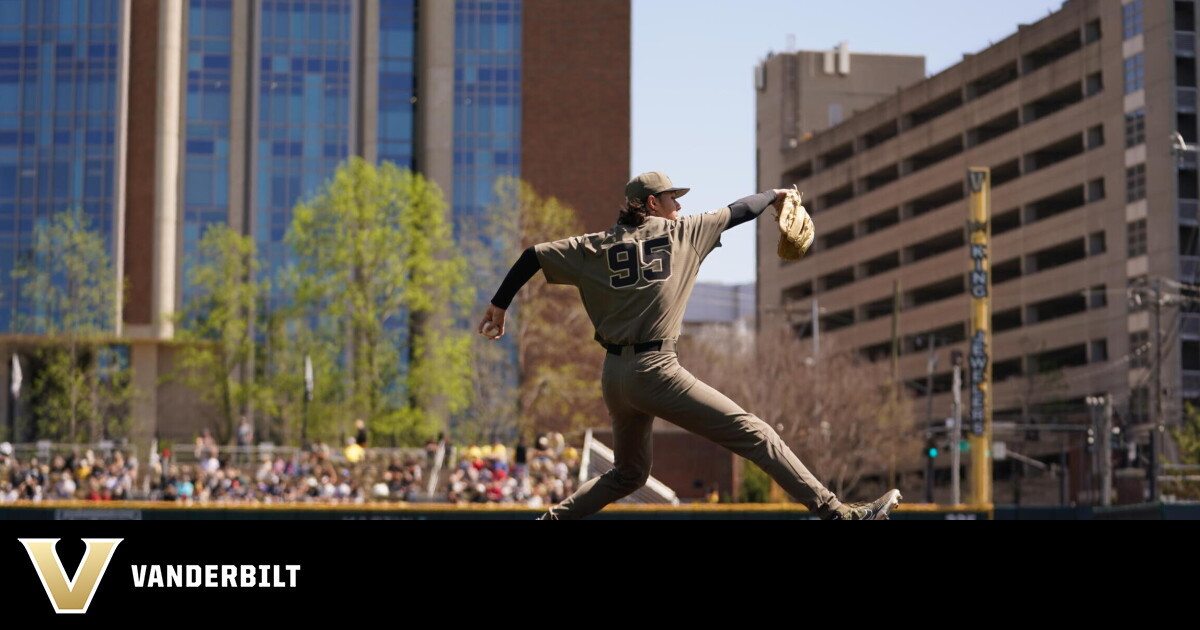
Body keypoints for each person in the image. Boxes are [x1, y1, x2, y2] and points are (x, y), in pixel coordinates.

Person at [477, 171, 902, 520]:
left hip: (615, 375)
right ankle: (836, 512)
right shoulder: (683, 234)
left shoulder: (594, 246)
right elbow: (740, 210)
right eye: (672, 200)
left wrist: (499, 304)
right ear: (650, 204)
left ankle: (550, 521)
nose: (679, 207)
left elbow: (532, 255)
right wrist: (775, 196)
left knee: (628, 474)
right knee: (756, 434)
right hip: (656, 370)